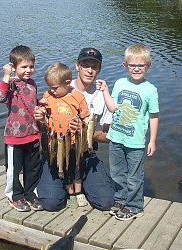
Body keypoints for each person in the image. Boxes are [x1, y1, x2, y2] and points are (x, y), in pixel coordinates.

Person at [34, 47, 115, 211]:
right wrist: (40, 119)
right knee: (51, 203)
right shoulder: (59, 86)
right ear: (77, 66)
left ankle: (81, 183)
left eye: (94, 66)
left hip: (84, 153)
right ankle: (62, 184)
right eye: (85, 65)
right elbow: (40, 126)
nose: (90, 70)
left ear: (99, 69)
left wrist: (85, 131)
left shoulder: (103, 96)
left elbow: (109, 136)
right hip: (57, 151)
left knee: (105, 202)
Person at [98, 43, 159, 221]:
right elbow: (112, 108)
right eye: (132, 65)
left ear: (148, 65)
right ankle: (120, 199)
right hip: (116, 137)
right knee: (117, 172)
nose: (136, 69)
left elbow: (154, 117)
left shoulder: (150, 90)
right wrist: (105, 92)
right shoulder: (119, 83)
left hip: (135, 141)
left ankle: (135, 206)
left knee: (134, 176)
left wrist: (152, 140)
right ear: (125, 65)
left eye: (141, 65)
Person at [0, 45, 43, 212]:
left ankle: (30, 193)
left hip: (33, 134)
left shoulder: (32, 83)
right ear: (13, 67)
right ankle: (14, 195)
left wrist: (41, 105)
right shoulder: (11, 84)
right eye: (24, 67)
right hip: (15, 136)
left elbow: (32, 102)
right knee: (14, 169)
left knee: (33, 167)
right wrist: (6, 76)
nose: (28, 70)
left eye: (31, 66)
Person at [37, 62, 91, 208]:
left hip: (73, 142)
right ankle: (70, 192)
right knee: (64, 168)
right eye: (49, 87)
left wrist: (82, 125)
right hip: (55, 143)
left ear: (67, 83)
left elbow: (86, 117)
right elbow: (43, 113)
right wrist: (40, 109)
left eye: (54, 88)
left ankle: (79, 192)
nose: (51, 91)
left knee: (77, 167)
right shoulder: (48, 96)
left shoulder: (77, 97)